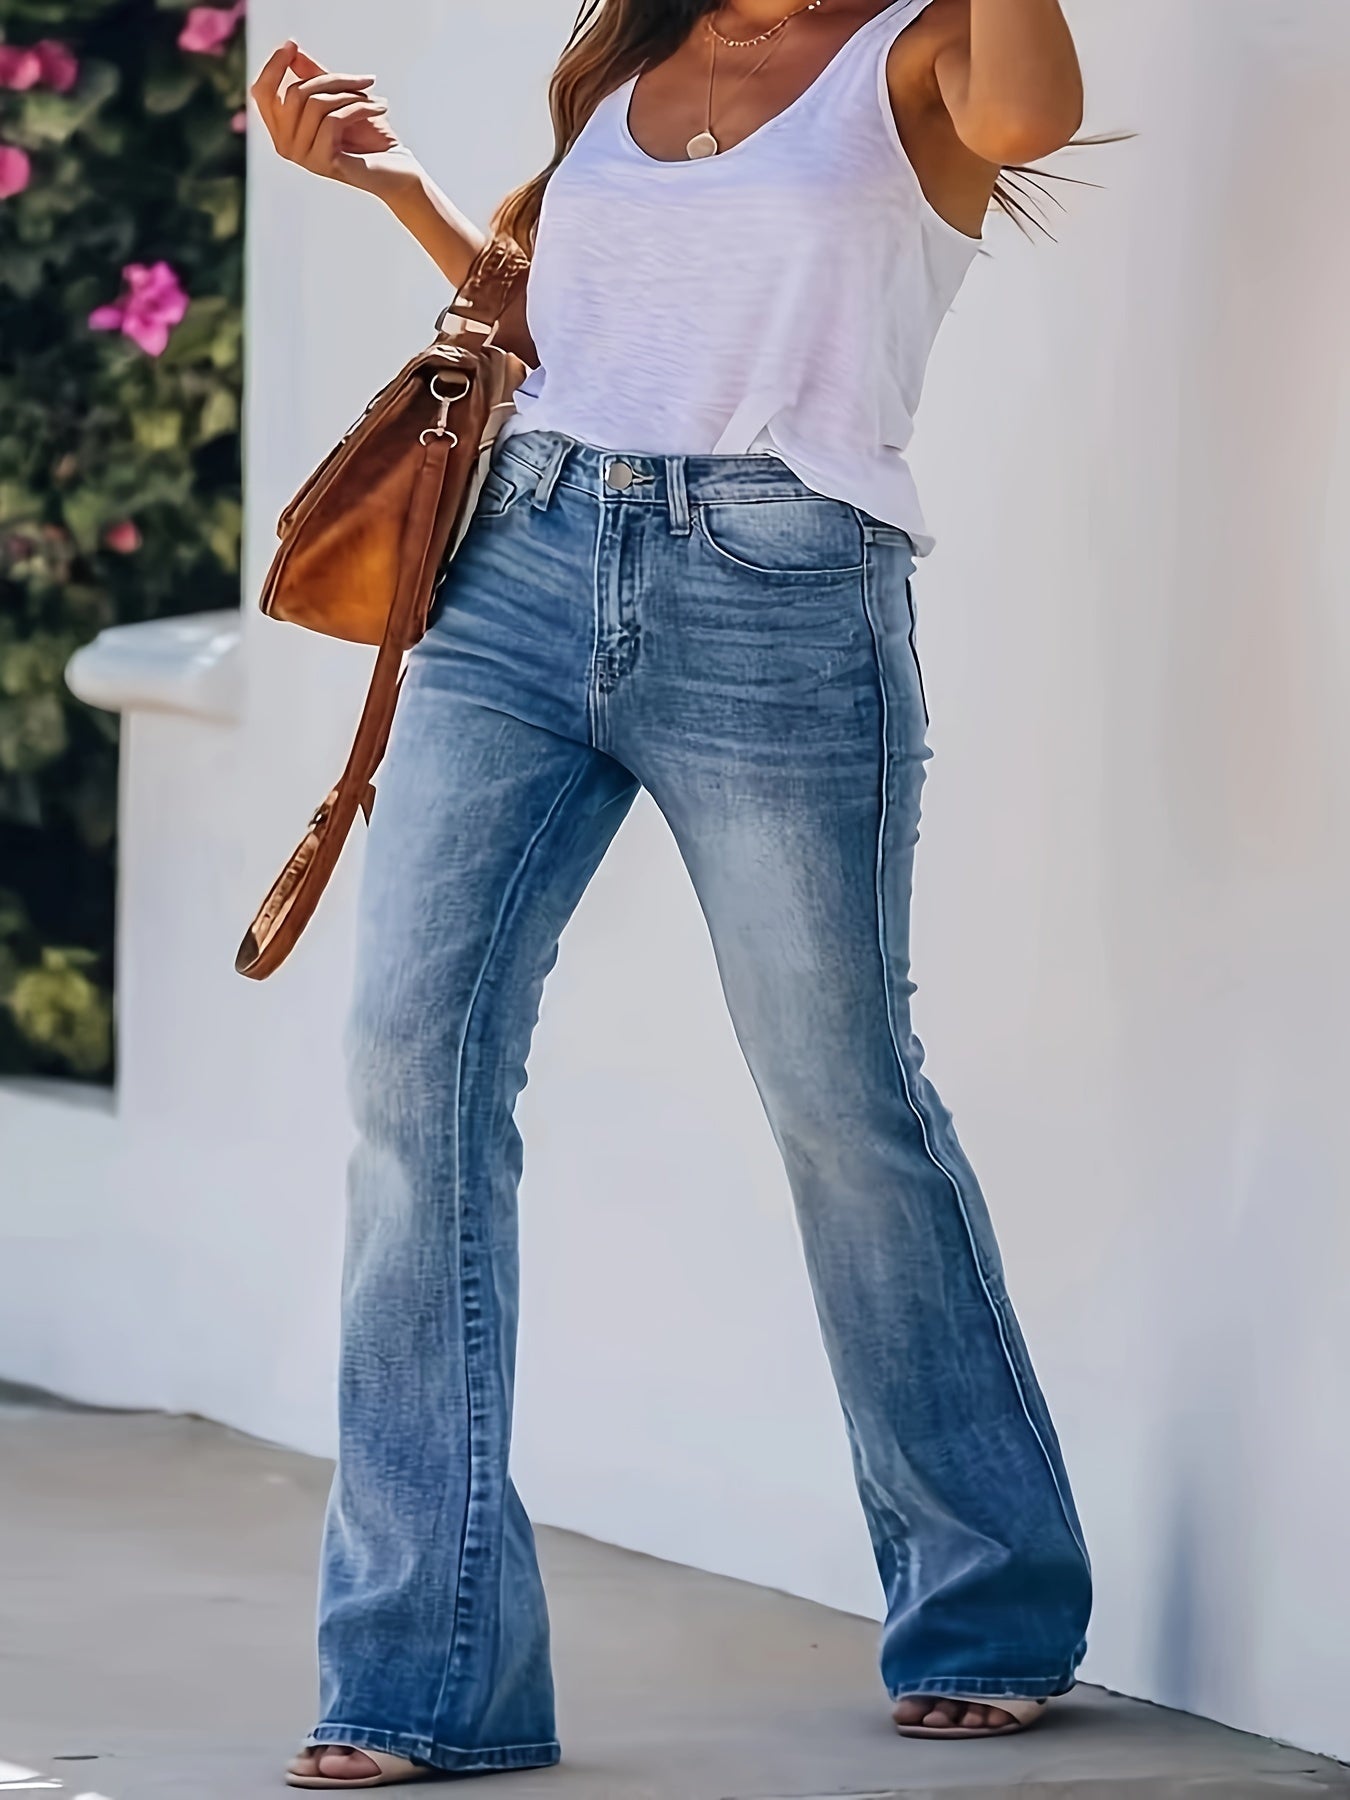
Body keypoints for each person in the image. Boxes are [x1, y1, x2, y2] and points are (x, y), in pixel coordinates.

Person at [252, 0, 1092, 1786]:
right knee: (410, 1081)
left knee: (839, 1103)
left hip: (780, 594)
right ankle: (421, 1675)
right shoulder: (626, 70)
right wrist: (400, 186)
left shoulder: (925, 51)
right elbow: (561, 322)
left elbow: (1027, 121)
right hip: (519, 563)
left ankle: (989, 1594)